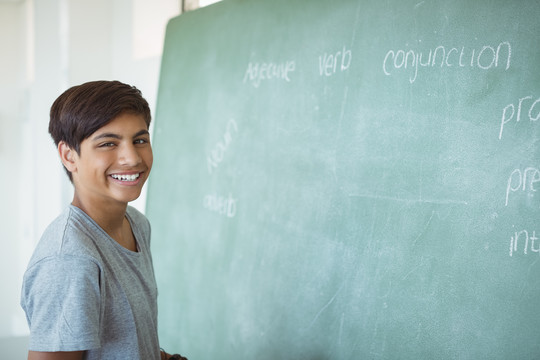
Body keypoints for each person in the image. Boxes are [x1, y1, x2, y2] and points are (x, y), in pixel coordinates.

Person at [20, 80, 186, 360]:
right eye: (108, 143)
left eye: (140, 140)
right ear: (69, 155)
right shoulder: (70, 260)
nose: (132, 158)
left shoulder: (136, 224)